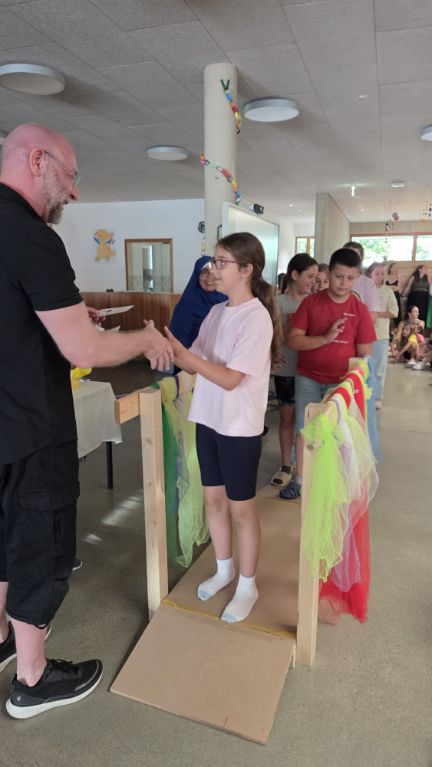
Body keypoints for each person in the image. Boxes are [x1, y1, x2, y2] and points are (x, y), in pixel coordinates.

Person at [0, 123, 173, 719]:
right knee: (36, 546)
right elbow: (84, 352)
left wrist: (72, 316)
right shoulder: (30, 235)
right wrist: (144, 338)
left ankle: (1, 637)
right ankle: (32, 678)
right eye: (70, 177)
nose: (74, 193)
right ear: (38, 160)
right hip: (31, 428)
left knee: (2, 539)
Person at [165, 232, 282, 623]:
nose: (212, 269)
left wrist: (186, 358)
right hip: (209, 419)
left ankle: (248, 586)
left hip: (238, 427)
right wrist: (164, 348)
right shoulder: (216, 312)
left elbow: (230, 378)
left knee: (241, 509)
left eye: (220, 262)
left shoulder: (256, 318)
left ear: (246, 270)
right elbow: (193, 357)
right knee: (213, 500)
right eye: (212, 260)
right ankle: (223, 569)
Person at [280, 247, 376, 500]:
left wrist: (353, 382)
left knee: (339, 432)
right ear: (329, 273)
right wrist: (324, 338)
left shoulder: (360, 309)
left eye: (350, 278)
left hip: (341, 383)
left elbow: (365, 355)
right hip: (308, 377)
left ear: (357, 278)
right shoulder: (311, 303)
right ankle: (300, 479)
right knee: (304, 428)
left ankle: (336, 480)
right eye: (339, 276)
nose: (344, 283)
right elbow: (293, 340)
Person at [270, 253, 318, 487]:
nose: (313, 282)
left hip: (310, 370)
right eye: (310, 276)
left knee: (308, 421)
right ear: (295, 275)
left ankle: (304, 465)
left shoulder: (315, 303)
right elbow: (270, 335)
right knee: (287, 419)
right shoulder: (277, 302)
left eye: (316, 277)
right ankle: (286, 465)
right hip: (285, 369)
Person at [169, 255, 227, 349]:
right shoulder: (187, 304)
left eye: (213, 272)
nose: (210, 277)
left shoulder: (226, 300)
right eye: (204, 272)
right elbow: (178, 340)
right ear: (197, 276)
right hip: (192, 354)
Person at [366, 263, 398, 409]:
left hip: (381, 335)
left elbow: (394, 312)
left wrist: (376, 314)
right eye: (377, 274)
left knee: (379, 368)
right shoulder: (364, 290)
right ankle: (363, 395)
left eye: (382, 274)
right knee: (363, 366)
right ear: (369, 275)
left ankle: (377, 397)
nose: (380, 277)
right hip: (363, 335)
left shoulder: (388, 292)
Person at [343, 241, 380, 323]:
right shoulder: (333, 280)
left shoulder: (368, 284)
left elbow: (372, 318)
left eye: (355, 256)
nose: (350, 260)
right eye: (346, 255)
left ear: (361, 260)